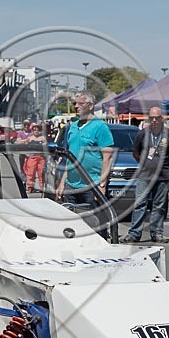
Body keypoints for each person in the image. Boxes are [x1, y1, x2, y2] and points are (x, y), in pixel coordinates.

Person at [54, 91, 114, 238]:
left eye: (80, 103)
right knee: (72, 226)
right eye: (75, 103)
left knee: (96, 226)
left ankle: (101, 248)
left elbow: (108, 157)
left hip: (92, 185)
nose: (76, 106)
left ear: (90, 106)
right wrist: (62, 183)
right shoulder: (72, 127)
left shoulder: (100, 127)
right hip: (71, 185)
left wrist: (102, 185)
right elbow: (70, 157)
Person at [121, 107, 169, 243]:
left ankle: (157, 233)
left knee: (159, 205)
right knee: (140, 204)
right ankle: (134, 234)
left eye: (157, 118)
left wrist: (165, 165)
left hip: (162, 176)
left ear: (162, 119)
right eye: (151, 118)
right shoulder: (142, 134)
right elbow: (135, 152)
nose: (154, 121)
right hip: (145, 175)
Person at [21, 123, 46, 194]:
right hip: (32, 158)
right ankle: (30, 187)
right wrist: (27, 155)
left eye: (37, 130)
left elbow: (46, 147)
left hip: (41, 158)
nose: (36, 131)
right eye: (34, 130)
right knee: (31, 174)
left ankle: (42, 188)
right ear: (32, 131)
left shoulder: (43, 138)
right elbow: (24, 146)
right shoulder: (30, 138)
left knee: (41, 173)